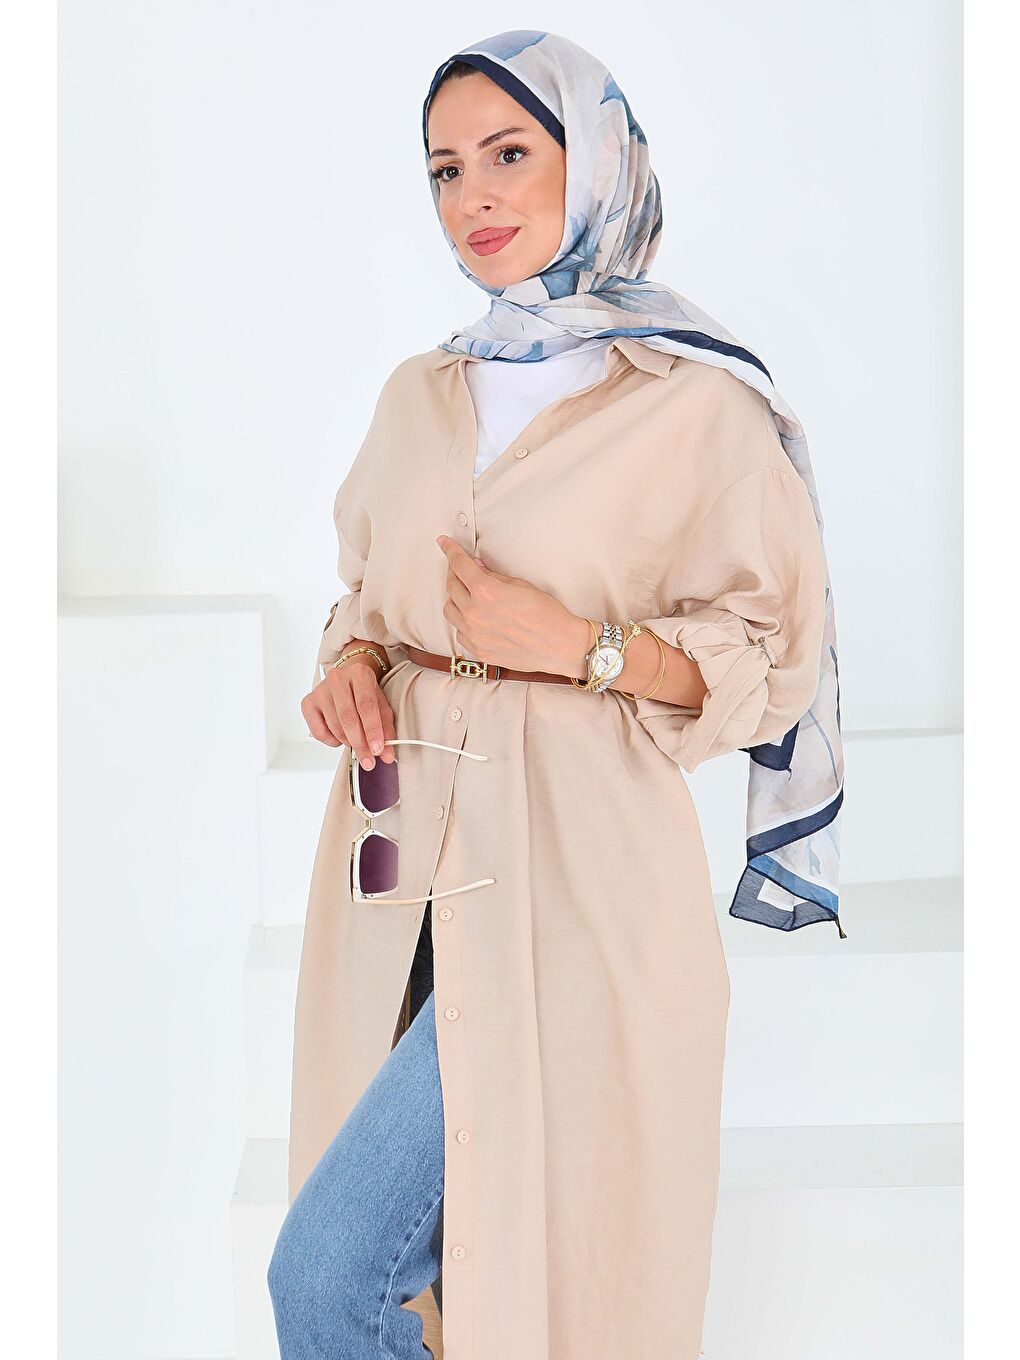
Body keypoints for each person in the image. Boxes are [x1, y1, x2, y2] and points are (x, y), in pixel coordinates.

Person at [268, 28, 844, 1360]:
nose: (473, 196)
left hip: (575, 880)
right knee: (405, 1281)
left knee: (346, 1275)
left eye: (510, 154)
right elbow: (368, 598)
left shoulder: (698, 406)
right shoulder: (418, 395)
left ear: (595, 165)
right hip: (393, 856)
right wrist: (348, 667)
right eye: (445, 169)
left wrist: (582, 645)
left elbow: (772, 660)